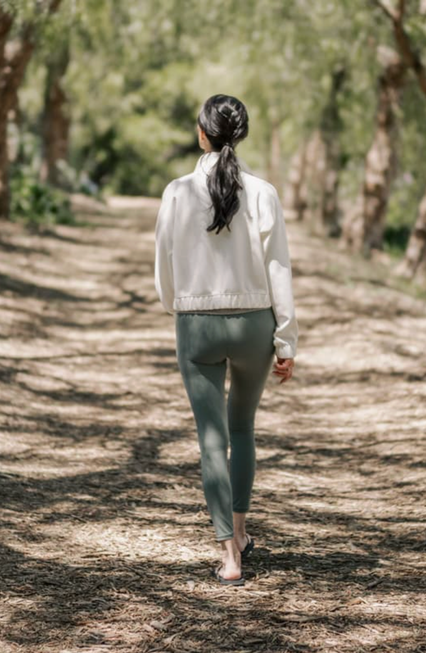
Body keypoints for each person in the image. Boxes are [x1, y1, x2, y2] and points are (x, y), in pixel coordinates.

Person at [154, 94, 298, 586]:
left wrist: (178, 306)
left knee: (212, 438)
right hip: (254, 323)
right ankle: (241, 532)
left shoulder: (176, 192)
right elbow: (278, 268)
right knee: (242, 430)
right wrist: (286, 340)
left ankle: (229, 557)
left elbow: (163, 265)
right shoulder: (263, 192)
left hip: (197, 324)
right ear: (241, 135)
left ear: (202, 133)